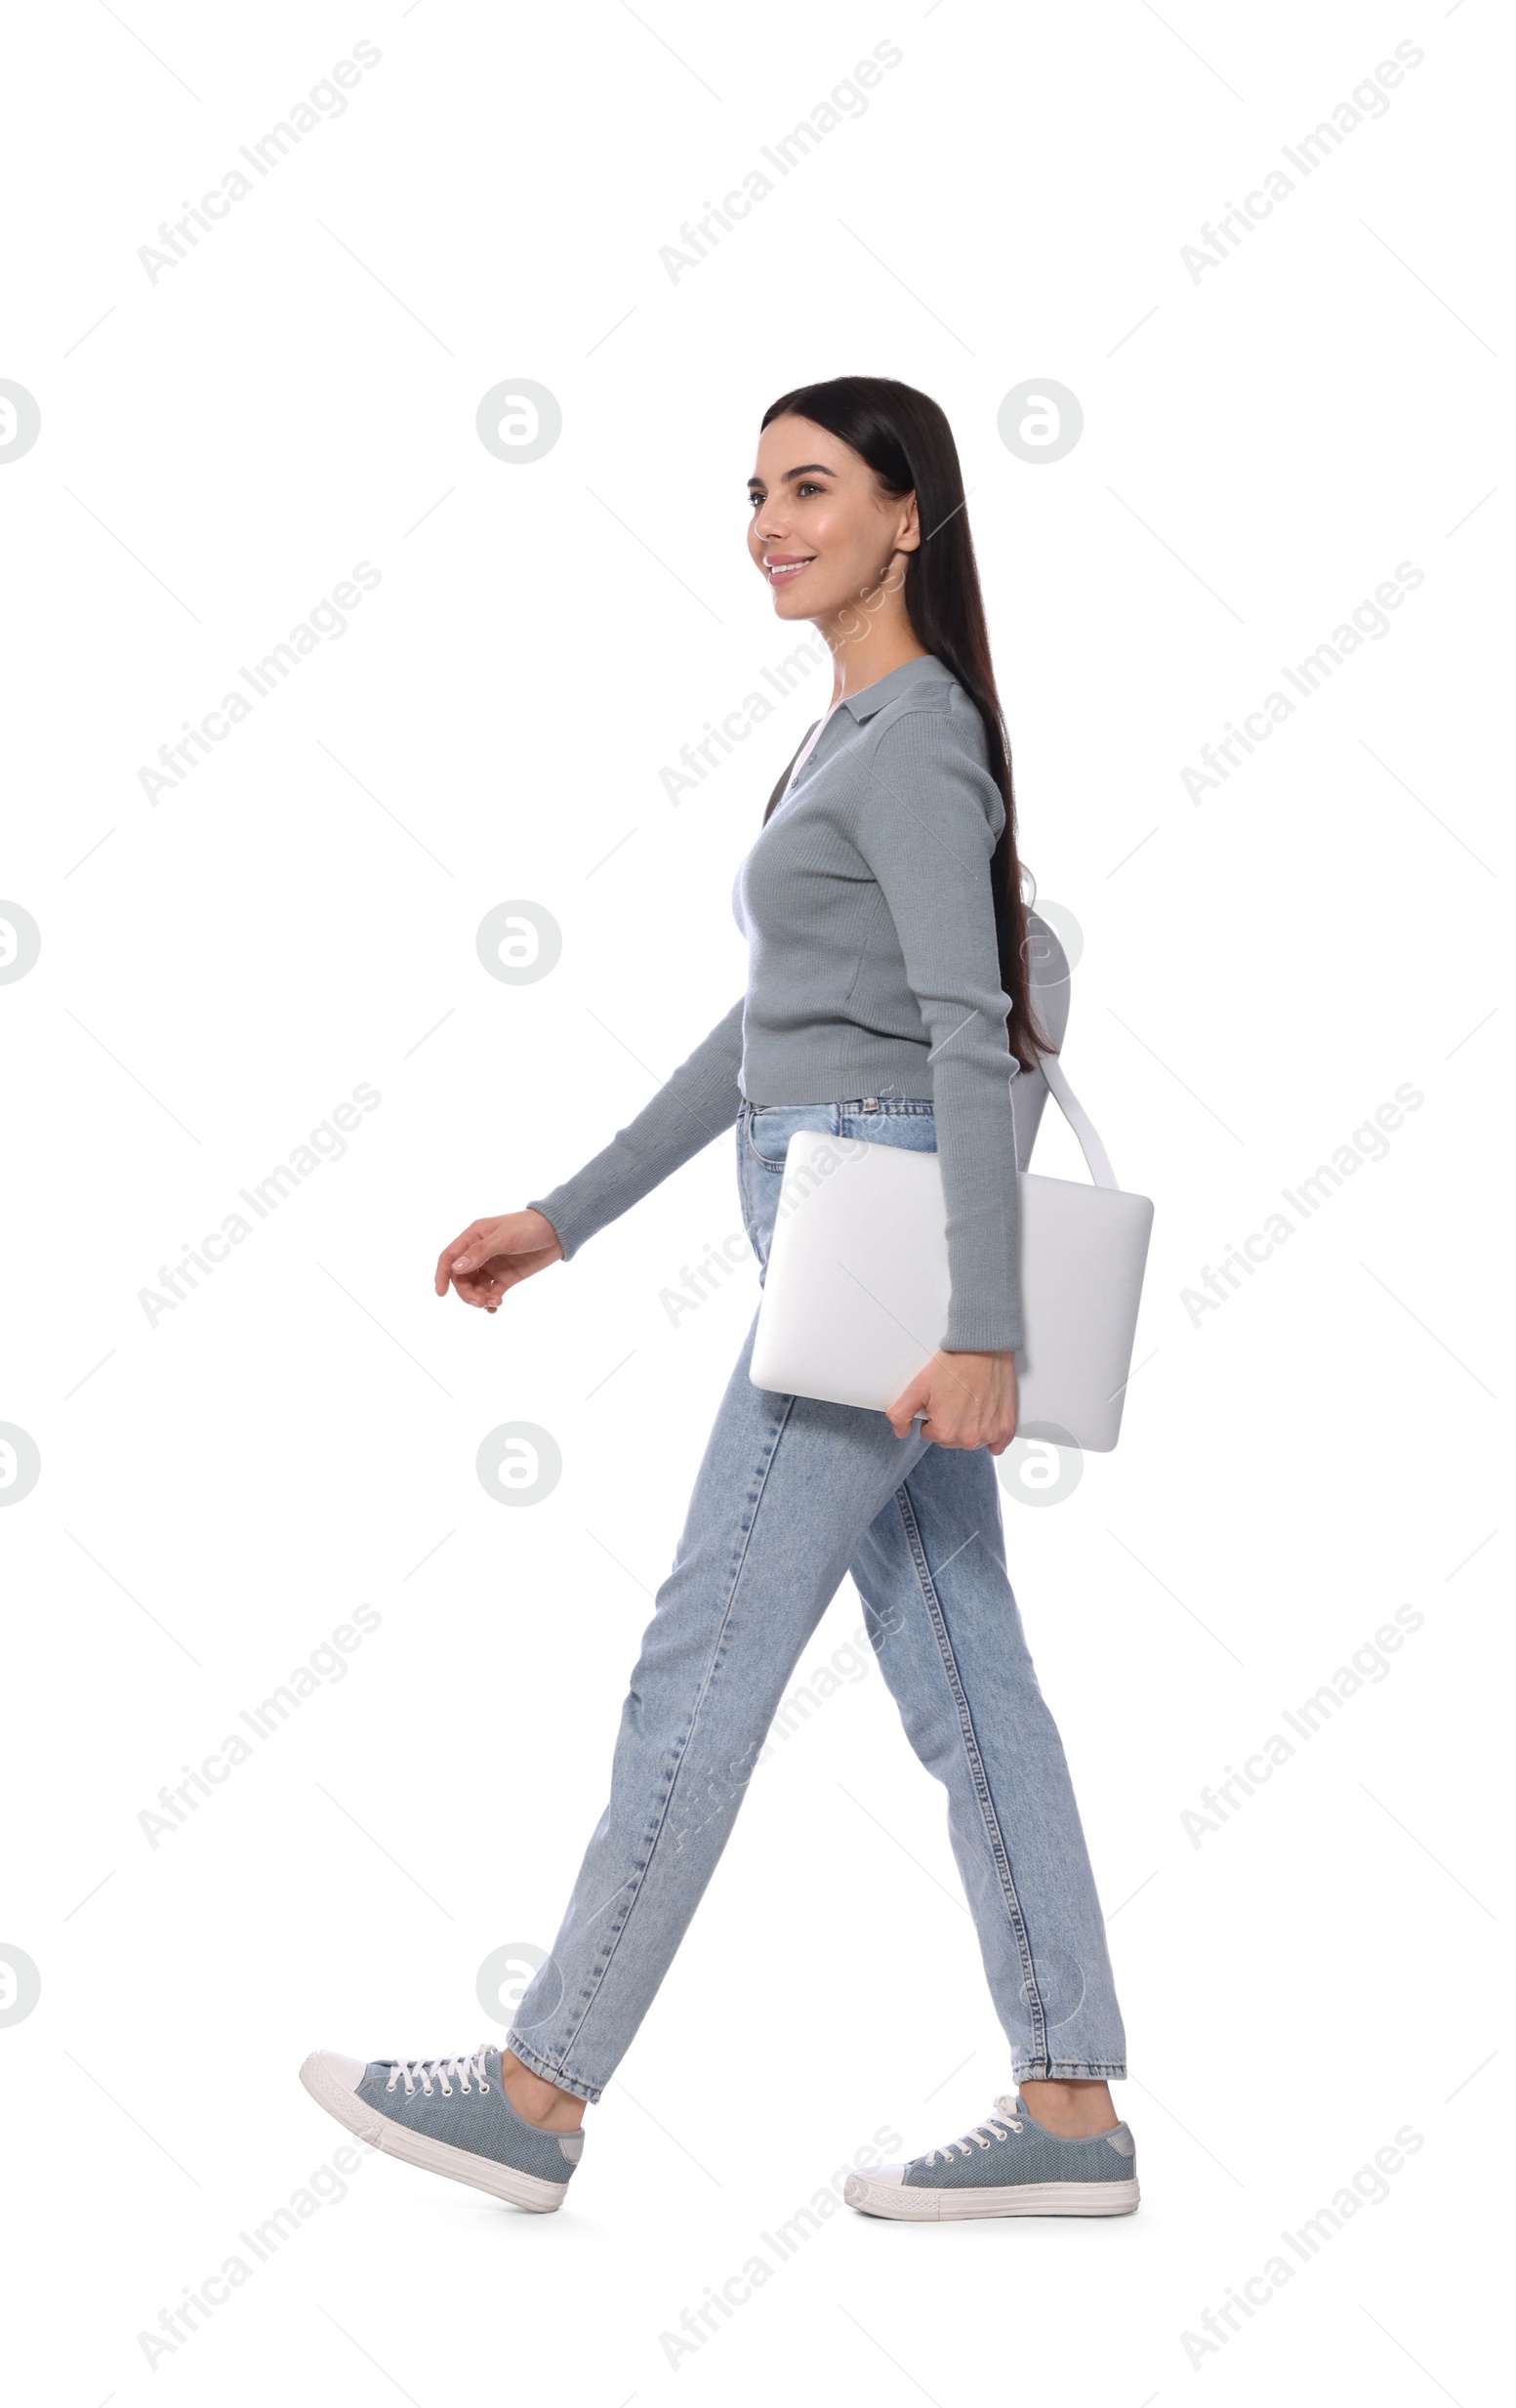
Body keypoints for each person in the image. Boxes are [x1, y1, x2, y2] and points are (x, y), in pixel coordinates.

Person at [301, 377, 1137, 2222]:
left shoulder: (914, 736)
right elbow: (768, 1030)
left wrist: (981, 1328)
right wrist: (568, 1210)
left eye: (812, 486)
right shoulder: (847, 729)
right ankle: (1072, 2110)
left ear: (908, 515)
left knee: (705, 1651)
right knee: (966, 1669)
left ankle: (540, 2085)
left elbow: (964, 1029)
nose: (768, 519)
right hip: (848, 1224)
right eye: (754, 489)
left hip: (881, 1251)